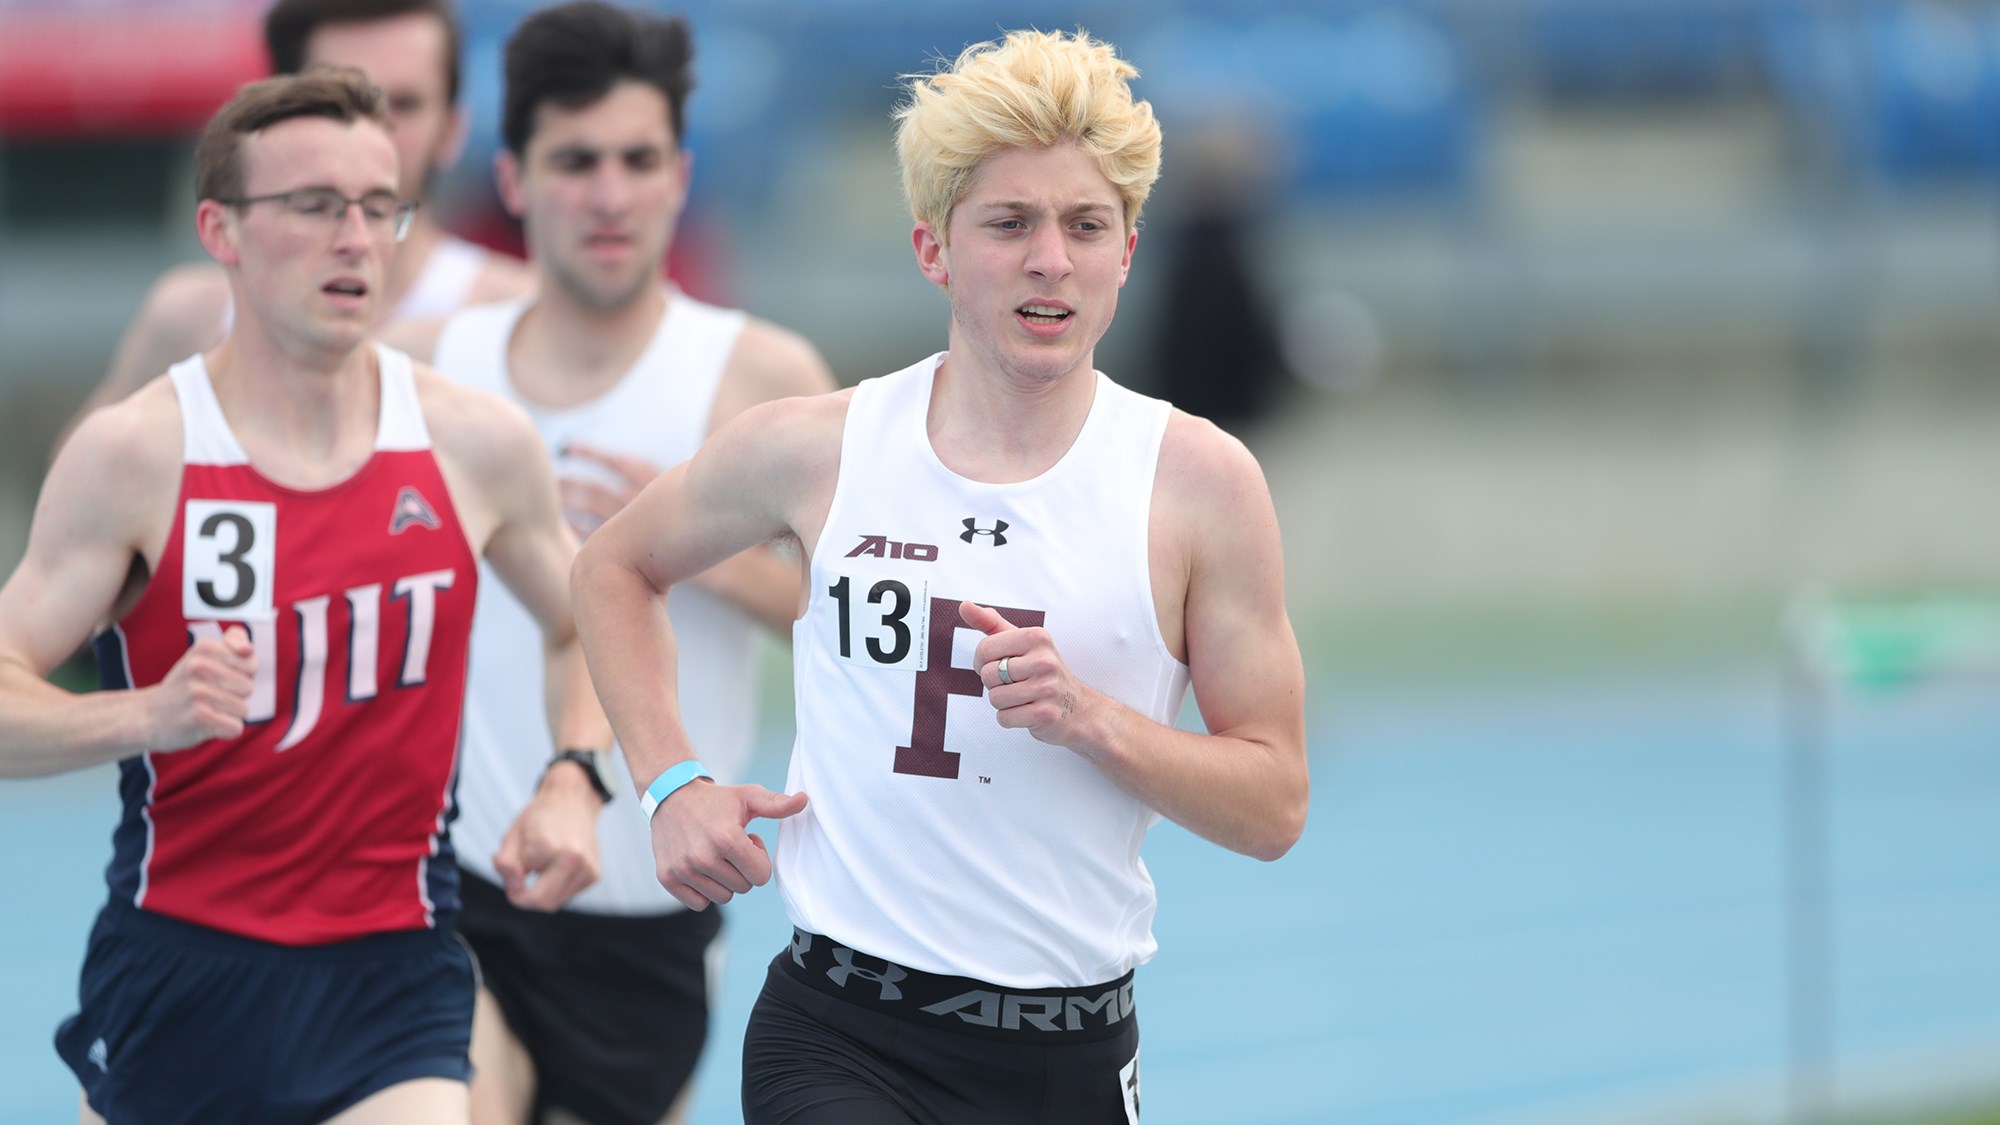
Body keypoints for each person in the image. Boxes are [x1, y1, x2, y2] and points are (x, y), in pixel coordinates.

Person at [572, 28, 1310, 1125]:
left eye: (1083, 226)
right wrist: (671, 784)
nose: (1048, 259)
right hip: (841, 1033)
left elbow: (1273, 804)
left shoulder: (1197, 483)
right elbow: (613, 565)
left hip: (1072, 1049)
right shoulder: (818, 448)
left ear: (1126, 253)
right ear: (934, 249)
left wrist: (1090, 722)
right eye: (1008, 224)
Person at [0, 68, 607, 1124]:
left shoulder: (471, 442)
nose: (356, 238)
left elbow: (587, 624)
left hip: (393, 970)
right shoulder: (137, 454)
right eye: (315, 206)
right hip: (179, 969)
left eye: (379, 207)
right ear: (220, 231)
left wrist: (572, 780)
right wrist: (144, 714)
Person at [384, 4, 834, 1123]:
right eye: (574, 161)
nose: (608, 193)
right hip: (457, 886)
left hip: (652, 907)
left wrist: (669, 549)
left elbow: (848, 616)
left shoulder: (758, 379)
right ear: (514, 177)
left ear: (679, 176)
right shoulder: (432, 371)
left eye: (637, 160)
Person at [69, 0, 535, 432]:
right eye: (336, 106)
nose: (374, 132)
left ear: (453, 129)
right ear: (269, 117)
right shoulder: (193, 321)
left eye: (405, 104)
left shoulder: (521, 317)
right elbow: (77, 500)